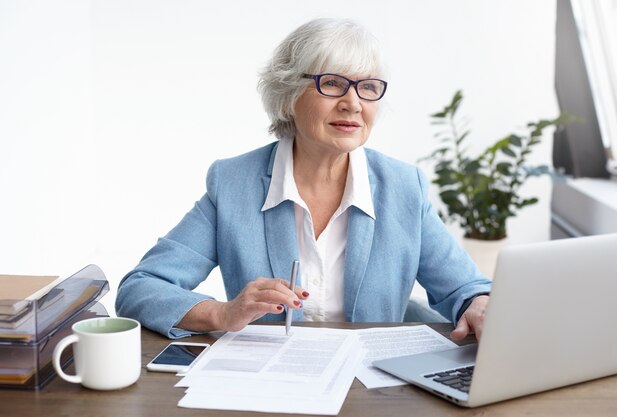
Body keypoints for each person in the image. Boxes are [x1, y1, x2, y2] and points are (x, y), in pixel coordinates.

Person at [115, 18, 491, 341]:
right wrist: (222, 313)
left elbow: (466, 288)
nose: (353, 103)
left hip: (374, 388)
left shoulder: (404, 186)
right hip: (272, 384)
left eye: (369, 87)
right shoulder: (232, 184)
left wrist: (480, 306)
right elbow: (141, 287)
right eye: (332, 83)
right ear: (288, 94)